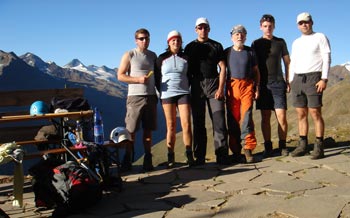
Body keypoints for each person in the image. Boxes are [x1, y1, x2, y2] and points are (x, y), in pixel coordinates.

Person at [184, 17, 231, 165]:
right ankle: (200, 157)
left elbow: (223, 67)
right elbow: (185, 70)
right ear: (195, 29)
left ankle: (222, 155)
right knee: (198, 122)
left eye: (205, 27)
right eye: (200, 27)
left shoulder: (216, 45)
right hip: (196, 85)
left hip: (213, 84)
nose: (202, 30)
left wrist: (220, 88)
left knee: (219, 121)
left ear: (209, 29)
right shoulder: (190, 47)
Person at [289, 12, 331, 159]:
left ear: (311, 22)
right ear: (297, 25)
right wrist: (290, 80)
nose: (304, 25)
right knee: (301, 114)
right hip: (298, 79)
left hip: (314, 77)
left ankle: (319, 146)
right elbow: (293, 62)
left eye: (306, 22)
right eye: (301, 23)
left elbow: (326, 58)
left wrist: (324, 78)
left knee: (315, 112)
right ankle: (303, 145)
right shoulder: (296, 42)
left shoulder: (320, 37)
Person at [117, 28, 158, 171]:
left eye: (147, 38)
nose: (144, 41)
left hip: (151, 96)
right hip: (135, 97)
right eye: (141, 38)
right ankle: (128, 158)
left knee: (148, 130)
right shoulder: (129, 55)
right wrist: (138, 80)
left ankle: (148, 159)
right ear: (136, 40)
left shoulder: (153, 56)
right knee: (131, 130)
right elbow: (120, 75)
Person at [251, 14, 291, 158]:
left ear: (274, 26)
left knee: (281, 116)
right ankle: (268, 147)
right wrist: (255, 86)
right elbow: (253, 66)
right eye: (265, 26)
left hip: (278, 83)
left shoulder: (280, 42)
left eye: (270, 26)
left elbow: (287, 62)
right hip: (262, 85)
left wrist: (288, 80)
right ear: (261, 27)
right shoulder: (255, 43)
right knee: (265, 116)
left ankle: (282, 146)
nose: (268, 28)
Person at [155, 30, 195, 167]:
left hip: (183, 92)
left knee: (186, 124)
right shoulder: (161, 58)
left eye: (178, 40)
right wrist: (161, 90)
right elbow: (156, 78)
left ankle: (189, 154)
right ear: (168, 42)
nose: (176, 42)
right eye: (173, 40)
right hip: (167, 95)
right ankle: (170, 157)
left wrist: (185, 86)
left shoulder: (186, 57)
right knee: (171, 125)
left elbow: (190, 75)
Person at [224, 25, 260, 163]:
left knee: (246, 118)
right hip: (232, 87)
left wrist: (257, 88)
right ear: (232, 37)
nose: (239, 36)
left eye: (242, 34)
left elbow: (256, 71)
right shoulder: (227, 52)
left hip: (247, 86)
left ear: (245, 36)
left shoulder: (250, 52)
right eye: (236, 34)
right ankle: (235, 151)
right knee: (233, 120)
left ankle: (248, 149)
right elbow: (222, 70)